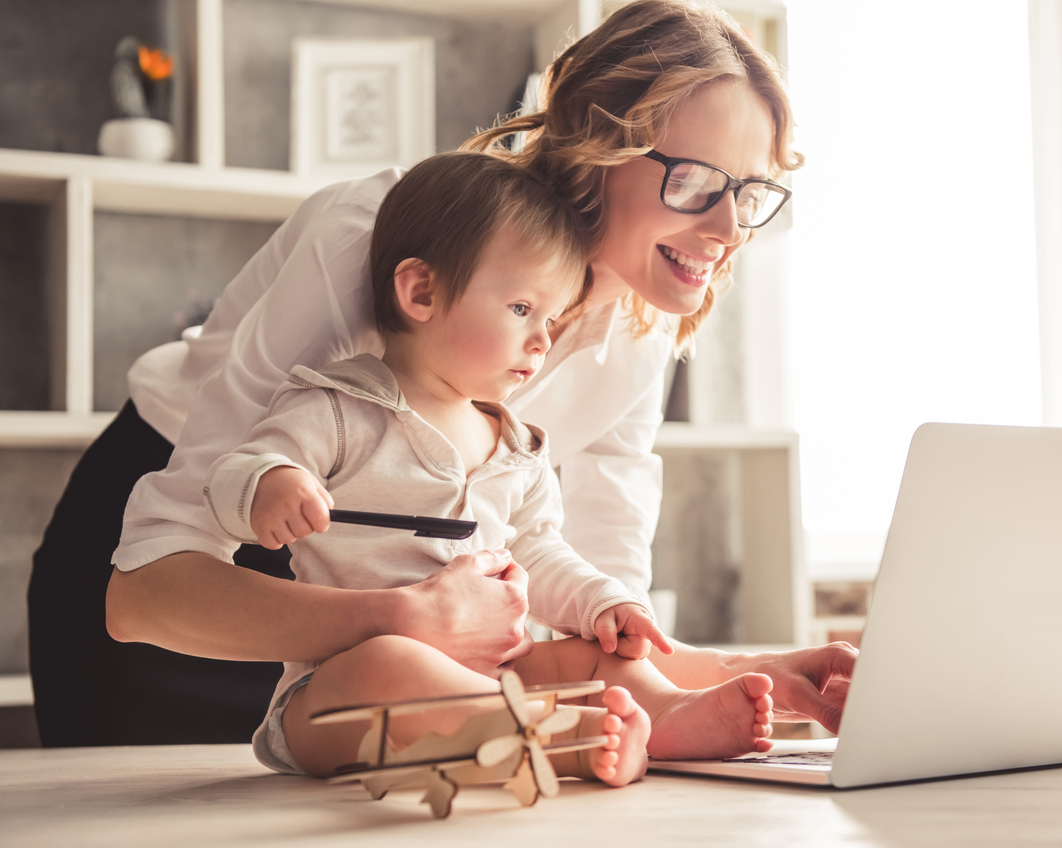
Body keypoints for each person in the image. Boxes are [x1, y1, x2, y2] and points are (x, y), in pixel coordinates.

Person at [30, 0, 856, 748]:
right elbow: (142, 597)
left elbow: (600, 621)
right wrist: (408, 620)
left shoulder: (642, 320)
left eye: (748, 193)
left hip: (415, 638)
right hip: (209, 569)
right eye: (696, 182)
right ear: (595, 145)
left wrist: (741, 675)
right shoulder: (379, 234)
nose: (727, 229)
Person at [210, 150, 779, 780]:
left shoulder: (517, 449)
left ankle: (666, 713)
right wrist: (269, 483)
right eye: (521, 310)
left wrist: (602, 604)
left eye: (551, 318)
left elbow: (540, 550)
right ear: (421, 291)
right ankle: (554, 736)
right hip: (337, 693)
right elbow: (238, 467)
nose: (542, 340)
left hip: (492, 673)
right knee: (393, 664)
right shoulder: (340, 409)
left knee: (589, 655)